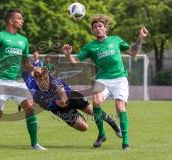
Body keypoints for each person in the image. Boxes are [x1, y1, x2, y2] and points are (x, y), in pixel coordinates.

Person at [62, 14, 148, 150]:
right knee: (96, 102)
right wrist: (68, 55)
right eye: (95, 27)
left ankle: (125, 142)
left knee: (120, 108)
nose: (97, 29)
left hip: (120, 79)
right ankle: (101, 134)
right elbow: (74, 62)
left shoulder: (115, 40)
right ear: (92, 31)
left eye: (100, 26)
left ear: (106, 28)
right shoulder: (90, 46)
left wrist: (140, 38)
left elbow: (133, 52)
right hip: (103, 79)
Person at [0, 9, 46, 150]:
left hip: (17, 81)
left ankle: (34, 144)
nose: (22, 20)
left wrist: (34, 69)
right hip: (0, 81)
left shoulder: (24, 40)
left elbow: (25, 62)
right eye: (19, 18)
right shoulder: (0, 36)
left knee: (30, 107)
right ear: (11, 21)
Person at [23, 67, 122, 137]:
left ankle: (114, 125)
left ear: (48, 75)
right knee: (84, 127)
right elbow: (42, 105)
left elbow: (61, 91)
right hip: (58, 109)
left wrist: (63, 99)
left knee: (92, 111)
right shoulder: (32, 87)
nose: (44, 82)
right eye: (41, 80)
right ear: (36, 79)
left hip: (70, 97)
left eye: (46, 78)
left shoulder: (53, 80)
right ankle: (78, 115)